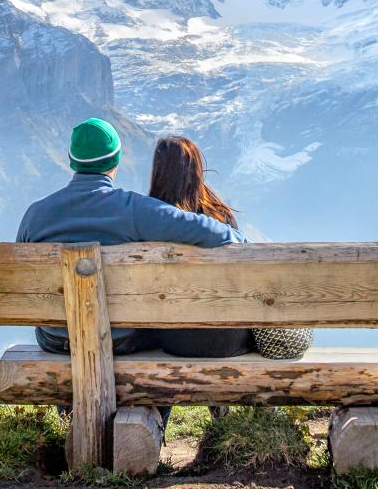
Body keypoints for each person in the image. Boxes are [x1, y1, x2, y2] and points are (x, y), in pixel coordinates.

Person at [18, 117, 243, 356]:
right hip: (118, 340)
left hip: (54, 339)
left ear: (72, 161)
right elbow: (204, 230)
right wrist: (238, 237)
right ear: (115, 160)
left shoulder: (35, 214)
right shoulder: (134, 209)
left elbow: (22, 277)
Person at [146, 135, 254, 358]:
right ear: (196, 170)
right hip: (227, 340)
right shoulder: (220, 216)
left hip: (173, 340)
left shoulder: (147, 222)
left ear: (157, 172)